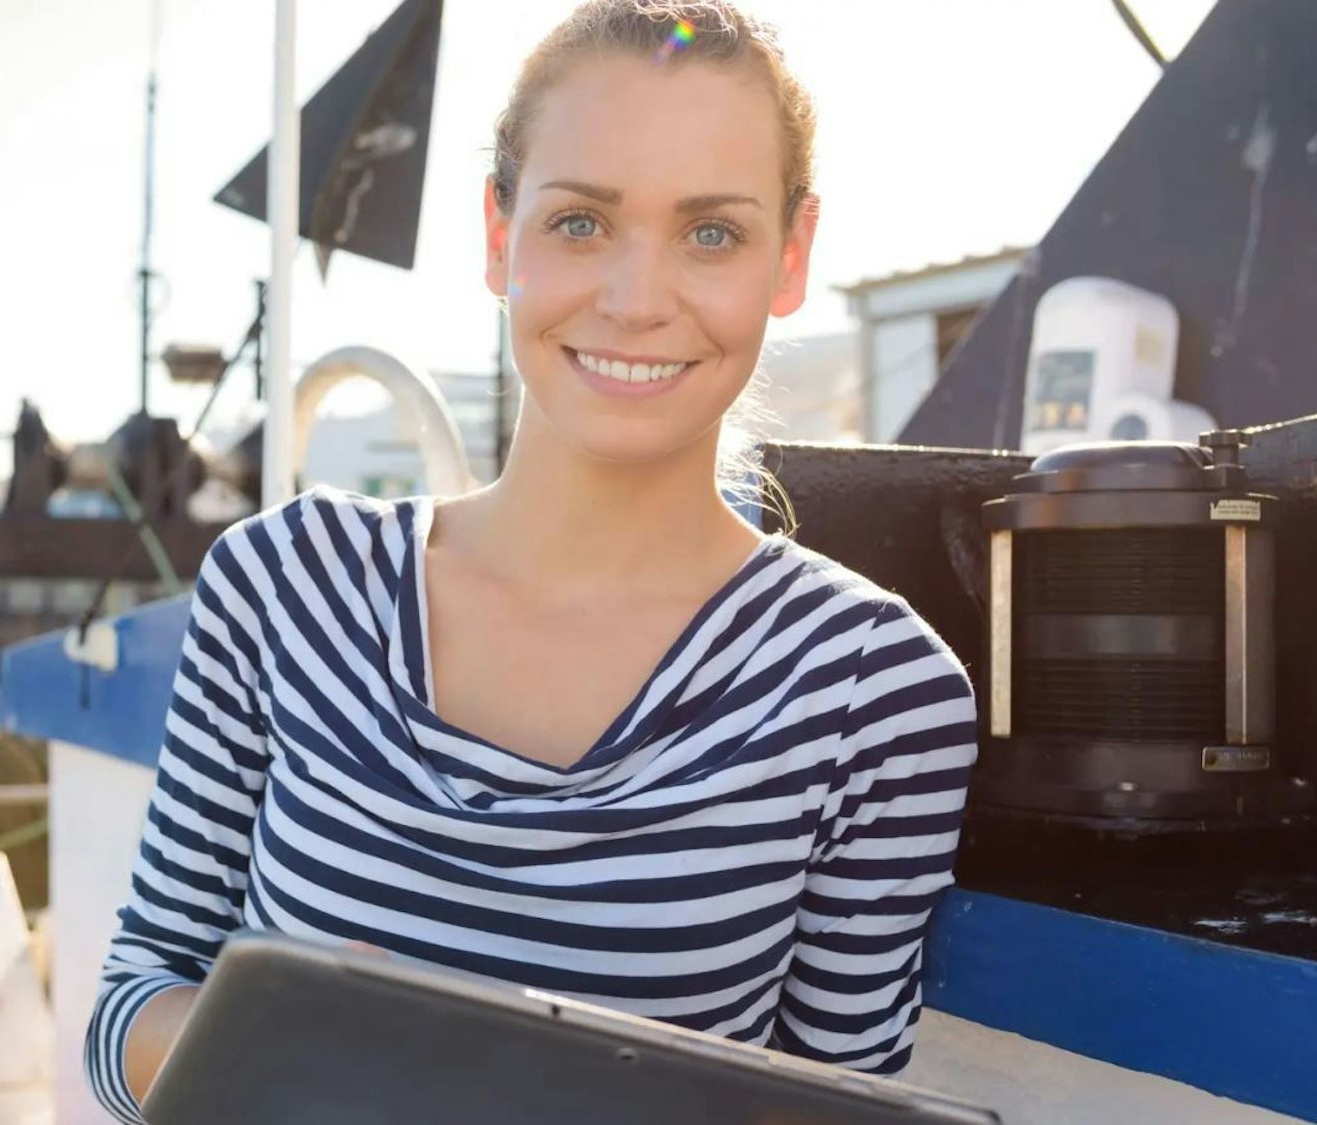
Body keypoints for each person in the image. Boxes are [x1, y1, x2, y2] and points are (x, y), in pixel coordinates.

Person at [87, 2, 979, 1120]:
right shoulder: (285, 581)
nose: (636, 300)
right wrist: (317, 1049)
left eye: (710, 233)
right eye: (580, 223)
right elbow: (130, 1001)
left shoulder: (874, 692)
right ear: (498, 234)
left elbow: (833, 1106)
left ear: (789, 256)